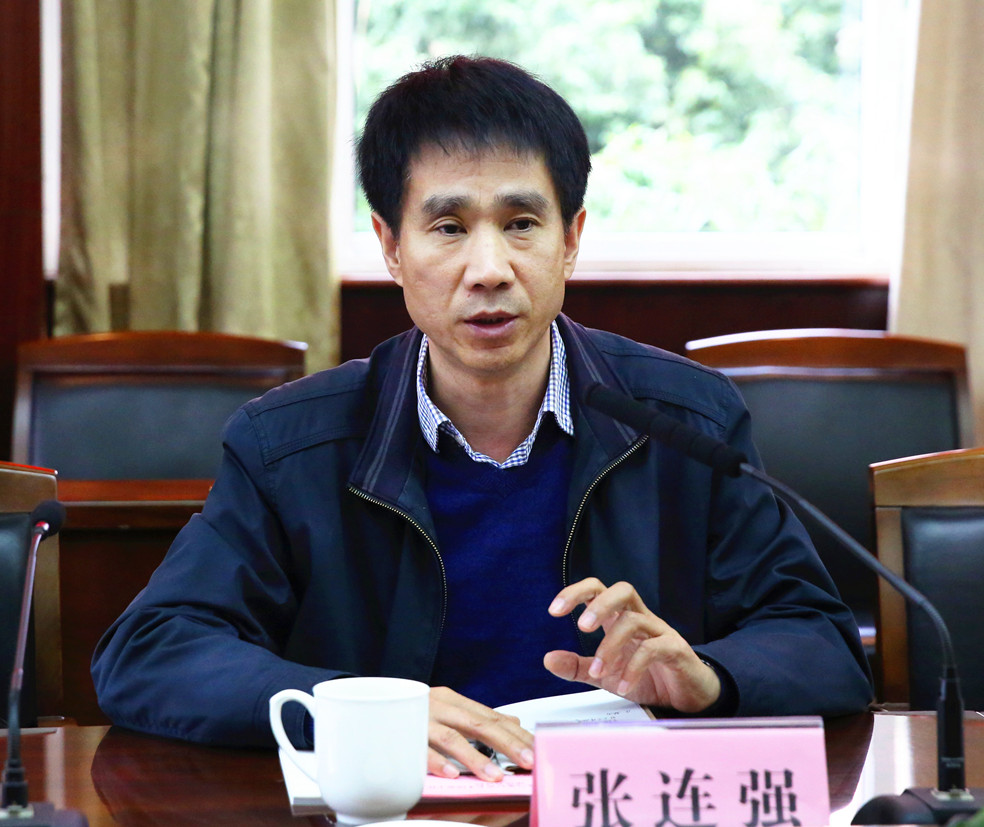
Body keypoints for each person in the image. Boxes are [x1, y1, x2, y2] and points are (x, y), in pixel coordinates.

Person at [91, 55, 873, 782]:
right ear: (391, 247)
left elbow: (820, 640)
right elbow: (151, 652)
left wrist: (709, 678)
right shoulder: (289, 443)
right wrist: (362, 711)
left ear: (571, 240)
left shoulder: (686, 419)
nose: (490, 269)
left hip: (613, 801)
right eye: (449, 227)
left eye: (522, 223)